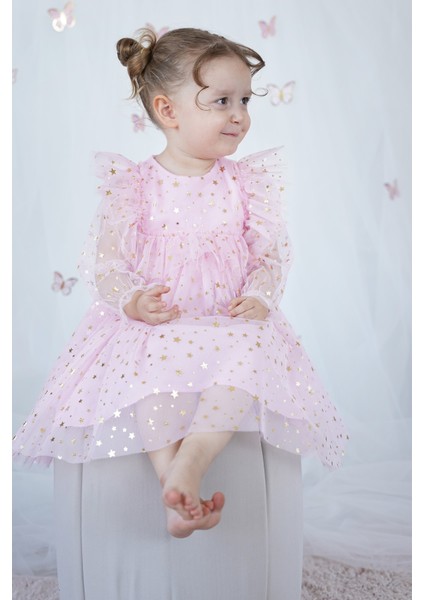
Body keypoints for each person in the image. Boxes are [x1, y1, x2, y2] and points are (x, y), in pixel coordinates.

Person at [13, 27, 348, 539]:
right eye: (221, 101)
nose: (239, 115)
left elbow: (270, 255)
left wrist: (260, 294)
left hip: (226, 325)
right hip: (159, 325)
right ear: (169, 111)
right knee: (146, 360)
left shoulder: (245, 184)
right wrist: (132, 300)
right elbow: (107, 263)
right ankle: (171, 479)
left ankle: (191, 462)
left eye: (245, 100)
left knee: (254, 349)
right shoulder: (134, 185)